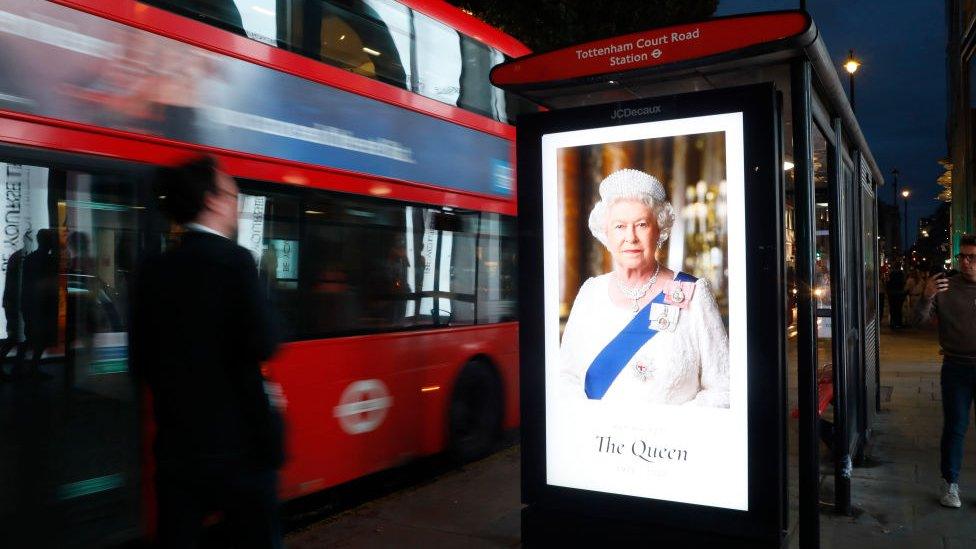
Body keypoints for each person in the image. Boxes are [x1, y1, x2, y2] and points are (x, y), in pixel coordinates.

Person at [131, 156, 285, 548]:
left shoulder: (154, 269)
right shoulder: (233, 261)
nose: (237, 206)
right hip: (240, 450)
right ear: (213, 201)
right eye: (234, 196)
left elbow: (141, 363)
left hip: (176, 449)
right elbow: (264, 341)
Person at [559, 169, 730, 407]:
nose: (630, 237)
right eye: (619, 226)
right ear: (606, 233)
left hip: (671, 443)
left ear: (659, 230)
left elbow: (724, 387)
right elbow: (566, 379)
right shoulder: (590, 294)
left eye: (641, 224)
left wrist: (666, 430)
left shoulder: (694, 293)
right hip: (602, 442)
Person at [913, 233, 976, 509]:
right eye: (963, 256)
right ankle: (950, 484)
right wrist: (926, 296)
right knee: (955, 427)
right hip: (956, 367)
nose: (966, 262)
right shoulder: (945, 286)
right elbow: (917, 321)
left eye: (972, 257)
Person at [887, 261, 907, 329]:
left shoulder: (892, 273)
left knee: (893, 309)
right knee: (898, 309)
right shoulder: (901, 274)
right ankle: (898, 323)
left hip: (892, 293)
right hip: (899, 293)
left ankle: (893, 322)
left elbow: (888, 283)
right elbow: (903, 283)